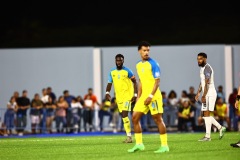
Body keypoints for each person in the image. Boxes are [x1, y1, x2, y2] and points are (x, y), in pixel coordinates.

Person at [128, 41, 169, 153]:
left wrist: (150, 96)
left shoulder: (154, 64)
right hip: (143, 96)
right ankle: (139, 144)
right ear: (139, 51)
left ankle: (165, 146)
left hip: (154, 96)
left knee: (158, 119)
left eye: (148, 50)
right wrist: (138, 97)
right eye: (144, 50)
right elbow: (141, 82)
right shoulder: (138, 65)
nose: (146, 52)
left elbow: (157, 82)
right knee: (135, 117)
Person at [105, 54, 138, 143]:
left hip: (128, 97)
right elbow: (109, 83)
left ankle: (129, 137)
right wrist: (107, 93)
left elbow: (135, 82)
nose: (119, 62)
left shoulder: (128, 71)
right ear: (115, 61)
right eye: (117, 60)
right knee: (124, 117)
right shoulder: (112, 72)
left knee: (124, 115)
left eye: (120, 60)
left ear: (123, 61)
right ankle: (129, 136)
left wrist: (135, 94)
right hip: (118, 98)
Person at [195, 52, 226, 141]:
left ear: (205, 59)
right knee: (204, 115)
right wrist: (198, 93)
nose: (198, 61)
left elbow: (207, 84)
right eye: (197, 59)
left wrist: (203, 95)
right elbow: (202, 82)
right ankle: (220, 128)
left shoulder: (207, 68)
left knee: (206, 114)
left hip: (210, 93)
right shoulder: (202, 68)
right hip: (206, 93)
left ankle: (208, 136)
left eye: (200, 59)